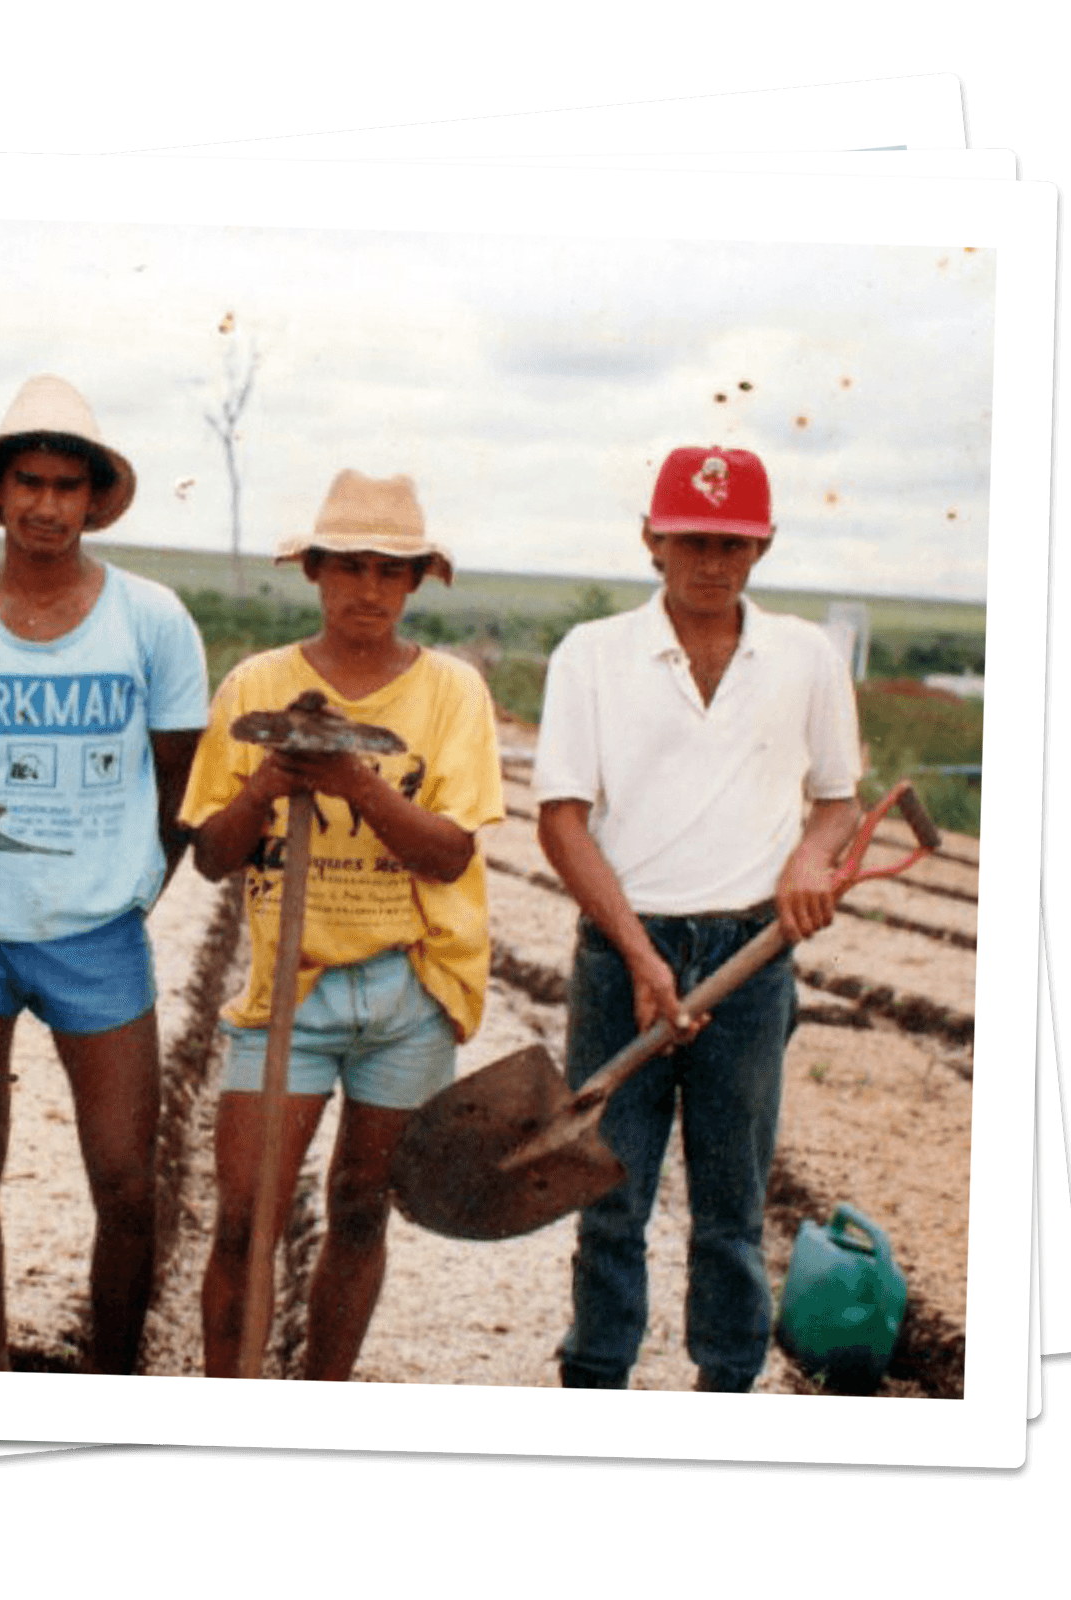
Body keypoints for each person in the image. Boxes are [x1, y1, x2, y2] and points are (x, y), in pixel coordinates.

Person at [533, 444, 862, 1393]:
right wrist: (639, 957)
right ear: (651, 539)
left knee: (731, 1204)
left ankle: (727, 1393)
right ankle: (596, 1385)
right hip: (622, 949)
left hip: (751, 956)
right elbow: (561, 819)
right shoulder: (592, 654)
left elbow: (838, 798)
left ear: (760, 548)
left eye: (732, 542)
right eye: (690, 540)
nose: (710, 562)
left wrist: (809, 857)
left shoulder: (804, 654)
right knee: (609, 1195)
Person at [0, 375, 208, 1373]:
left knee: (124, 1182)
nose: (43, 504)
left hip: (96, 939)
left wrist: (118, 890)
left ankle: (107, 1387)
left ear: (92, 497)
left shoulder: (152, 620)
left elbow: (176, 791)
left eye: (65, 485)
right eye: (25, 481)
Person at [183, 470, 505, 1380]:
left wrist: (355, 784)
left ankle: (321, 1401)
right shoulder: (259, 683)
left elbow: (448, 855)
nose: (369, 589)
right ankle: (225, 1410)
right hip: (291, 983)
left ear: (415, 583)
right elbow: (212, 853)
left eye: (390, 570)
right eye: (349, 566)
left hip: (411, 986)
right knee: (248, 1216)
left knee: (362, 1205)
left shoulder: (452, 695)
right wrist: (269, 784)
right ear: (315, 573)